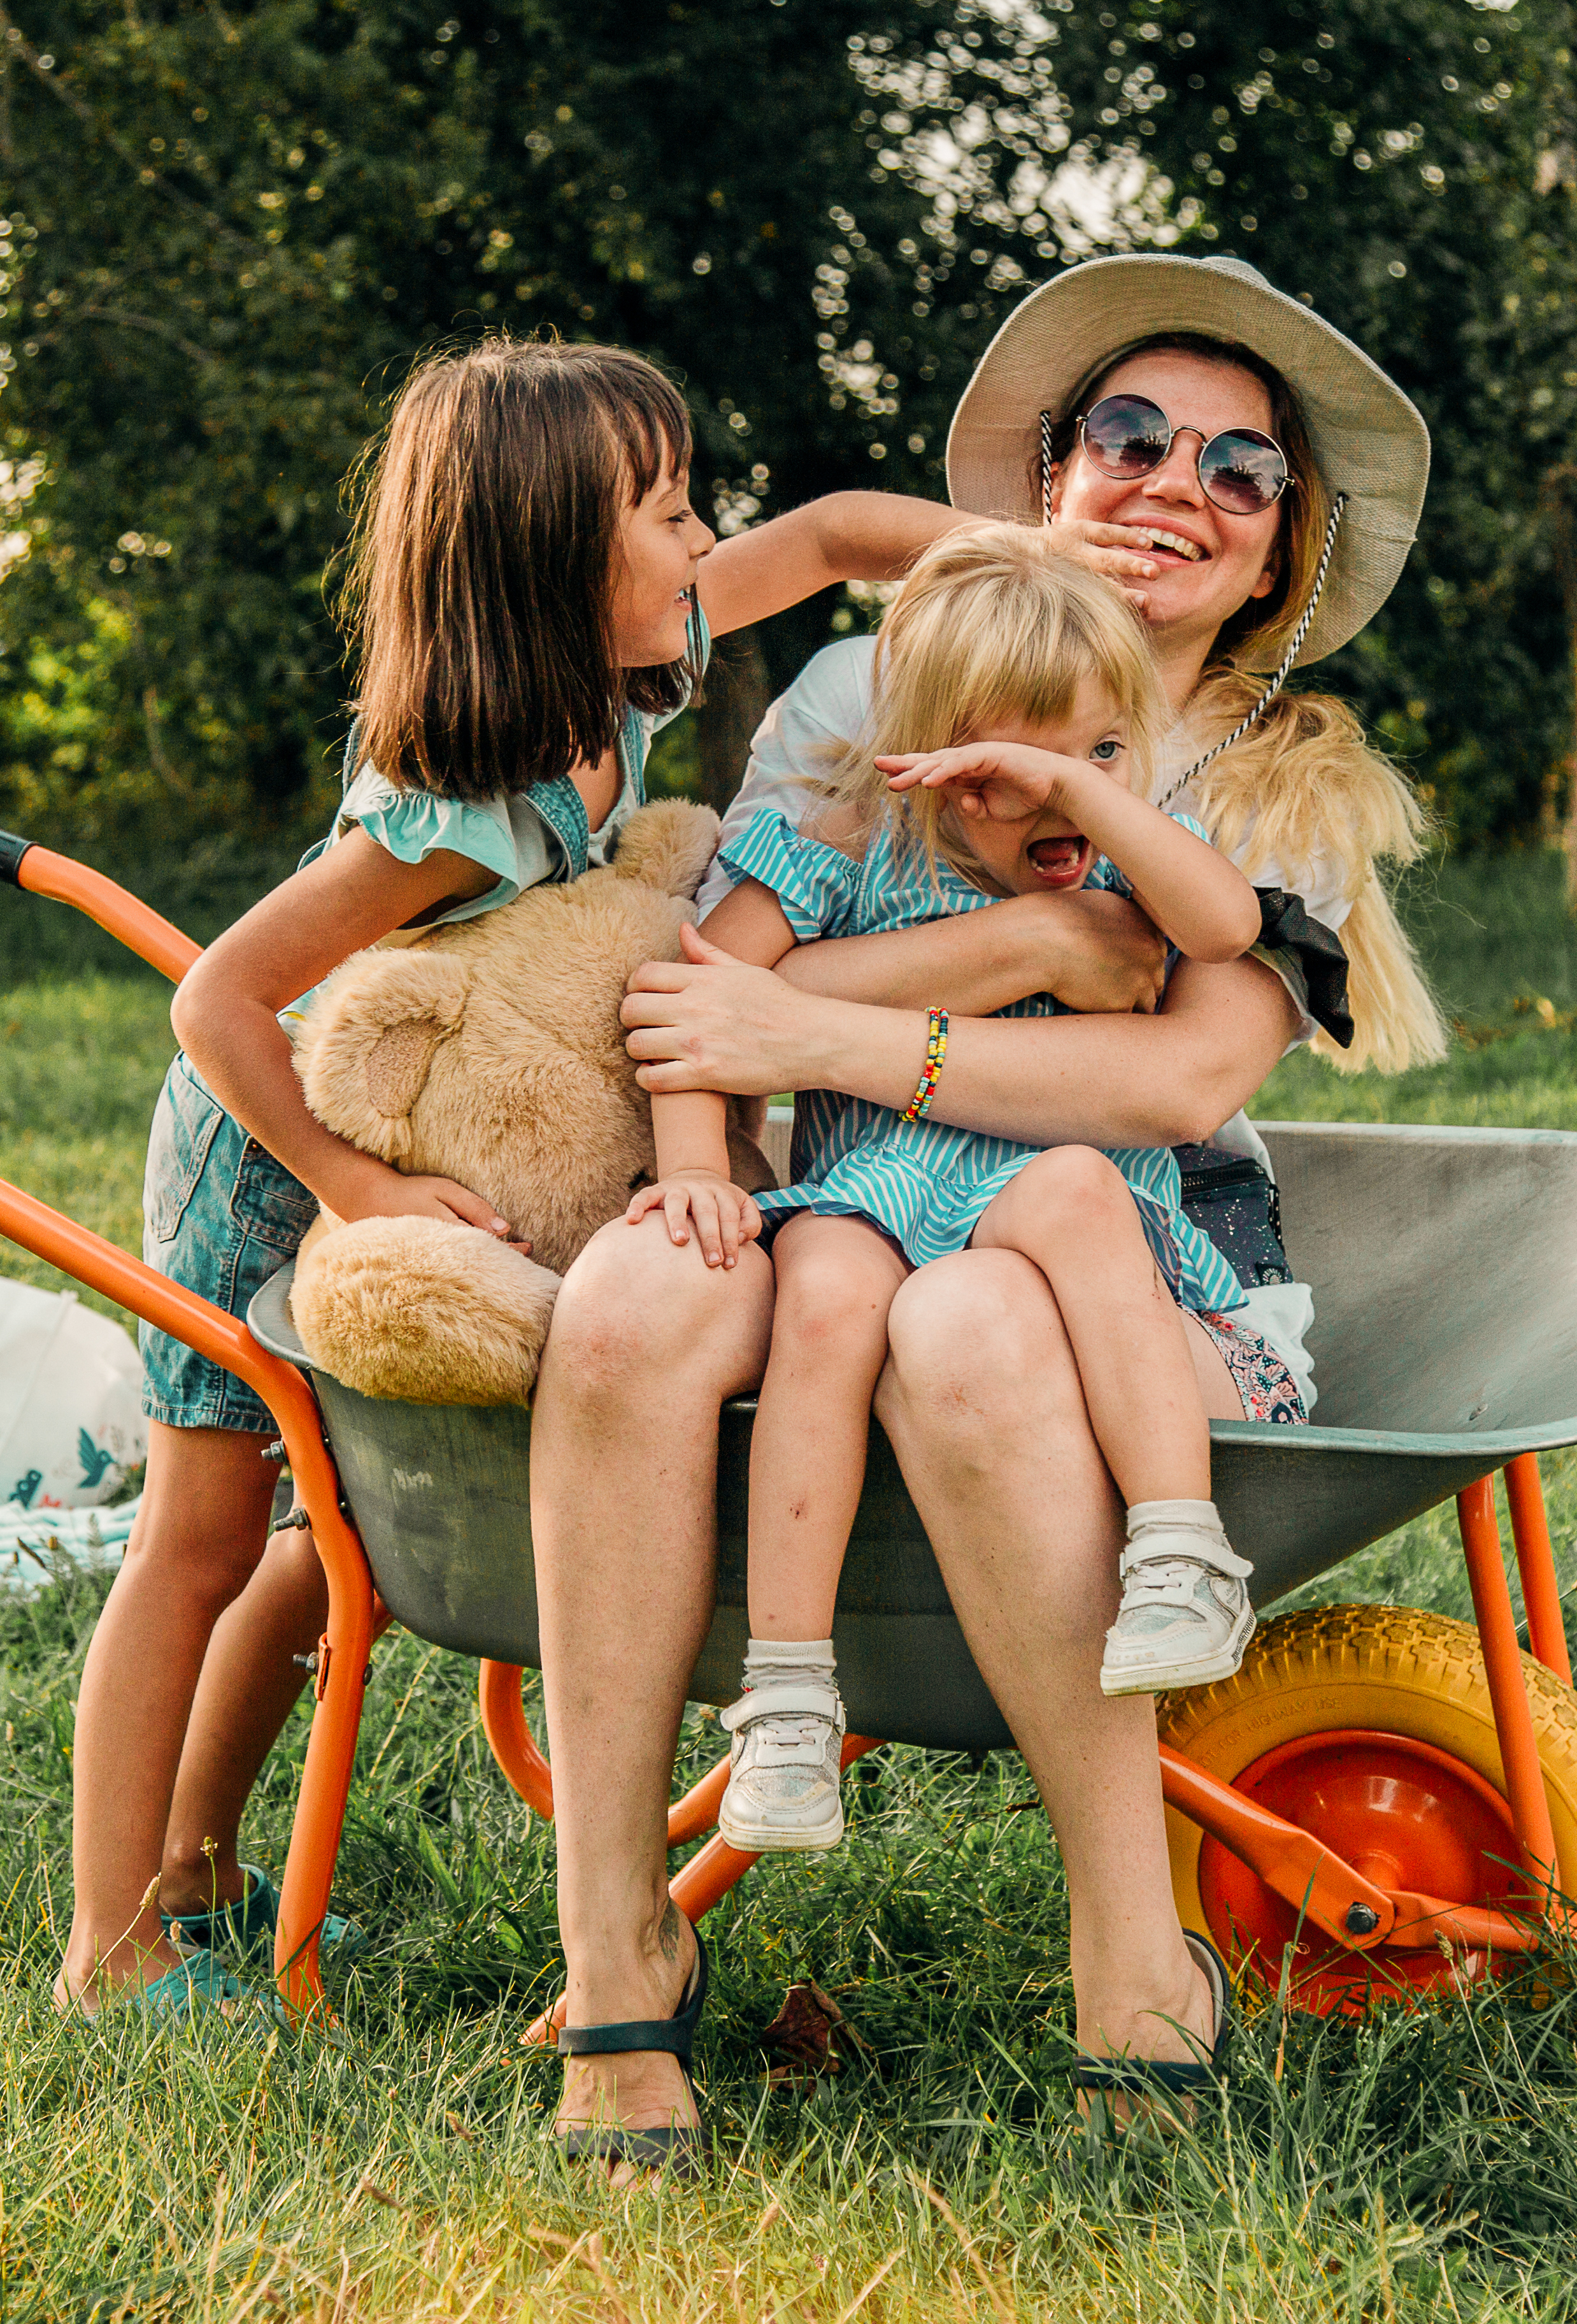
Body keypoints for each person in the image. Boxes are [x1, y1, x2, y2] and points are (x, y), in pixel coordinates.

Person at [57, 334, 1152, 2020]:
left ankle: (200, 1879)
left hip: (431, 1110)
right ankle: (108, 1938)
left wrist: (1034, 559)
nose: (709, 535)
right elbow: (221, 999)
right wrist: (351, 1184)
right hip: (276, 1135)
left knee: (319, 1534)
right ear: (548, 569)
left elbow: (855, 531)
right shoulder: (449, 813)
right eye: (666, 509)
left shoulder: (649, 655)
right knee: (205, 1530)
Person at [534, 255, 1450, 2172]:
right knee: (631, 1305)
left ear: (1278, 553)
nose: (1177, 483)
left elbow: (1173, 1081)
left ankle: (1135, 1945)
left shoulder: (1287, 790)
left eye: (1242, 469)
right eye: (1132, 434)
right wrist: (1021, 945)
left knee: (973, 1319)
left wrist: (826, 1025)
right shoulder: (881, 693)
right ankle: (615, 1941)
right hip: (836, 1208)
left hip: (1123, 1252)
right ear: (1048, 473)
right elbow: (717, 982)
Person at [634, 528, 1286, 1858]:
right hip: (871, 1189)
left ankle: (1179, 1550)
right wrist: (697, 1164)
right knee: (819, 1300)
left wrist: (1093, 790)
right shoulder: (838, 845)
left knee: (1076, 1199)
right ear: (926, 756)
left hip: (1052, 1177)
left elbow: (1223, 930)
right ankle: (792, 1698)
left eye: (1102, 754)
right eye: (1006, 777)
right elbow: (695, 994)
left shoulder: (1116, 852)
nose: (1055, 807)